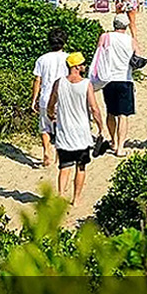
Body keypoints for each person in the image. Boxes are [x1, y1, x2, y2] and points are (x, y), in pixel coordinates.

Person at [46, 52, 106, 204]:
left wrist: (51, 115)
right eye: (82, 64)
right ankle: (76, 198)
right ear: (76, 66)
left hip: (64, 131)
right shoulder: (86, 84)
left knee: (64, 167)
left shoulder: (59, 83)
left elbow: (51, 103)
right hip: (82, 133)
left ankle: (60, 195)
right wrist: (100, 126)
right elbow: (94, 108)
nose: (84, 66)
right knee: (81, 167)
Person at [91, 14, 138, 157]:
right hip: (125, 78)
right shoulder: (131, 40)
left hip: (108, 79)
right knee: (123, 115)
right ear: (126, 26)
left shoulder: (105, 37)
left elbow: (99, 53)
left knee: (111, 112)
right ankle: (120, 147)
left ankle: (113, 141)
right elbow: (137, 58)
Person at [31, 28, 70, 168]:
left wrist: (34, 99)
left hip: (45, 96)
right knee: (61, 127)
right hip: (63, 97)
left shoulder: (42, 59)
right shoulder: (68, 58)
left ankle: (46, 151)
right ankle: (58, 157)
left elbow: (37, 80)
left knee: (44, 127)